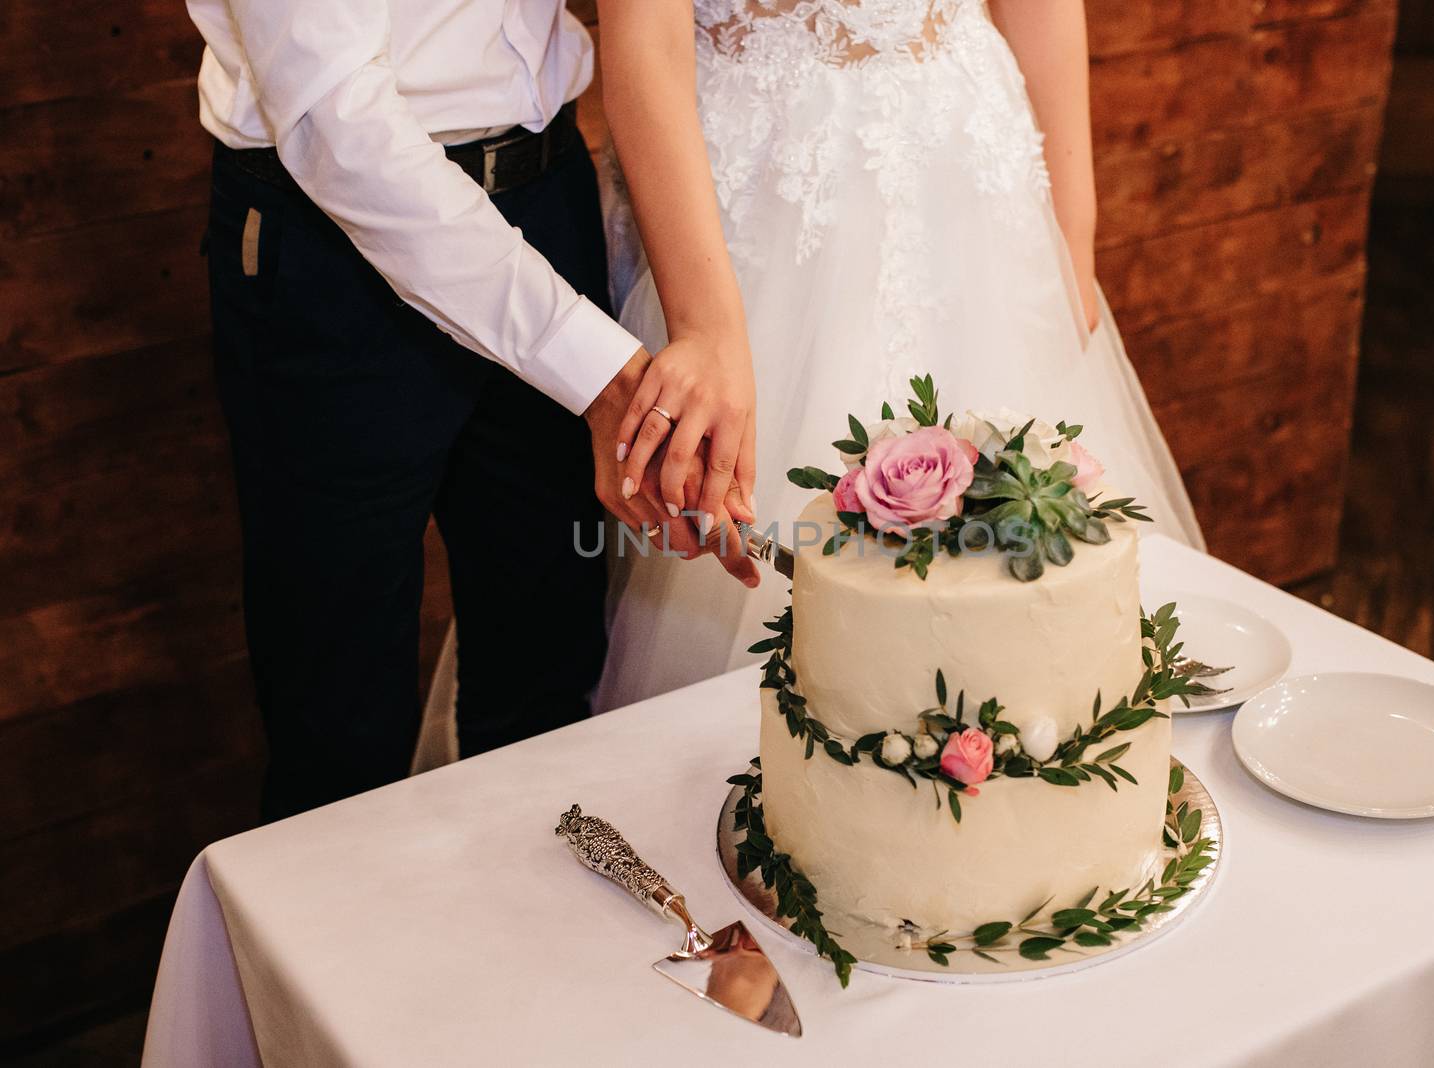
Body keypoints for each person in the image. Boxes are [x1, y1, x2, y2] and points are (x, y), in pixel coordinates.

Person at [186, 0, 753, 820]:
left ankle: (535, 941)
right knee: (338, 729)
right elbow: (336, 121)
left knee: (549, 689)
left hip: (548, 192)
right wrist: (595, 371)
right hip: (332, 239)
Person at [593, 0, 1207, 711]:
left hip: (970, 165)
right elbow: (645, 47)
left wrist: (1072, 230)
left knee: (1031, 570)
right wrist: (707, 327)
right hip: (773, 185)